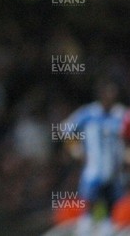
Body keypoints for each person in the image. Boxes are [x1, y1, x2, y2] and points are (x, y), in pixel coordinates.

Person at [61, 78, 126, 236]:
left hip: (114, 170)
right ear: (101, 94)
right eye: (108, 93)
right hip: (94, 168)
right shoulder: (88, 113)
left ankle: (106, 227)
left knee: (110, 207)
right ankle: (86, 227)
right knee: (89, 205)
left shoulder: (122, 114)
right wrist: (76, 151)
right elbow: (65, 129)